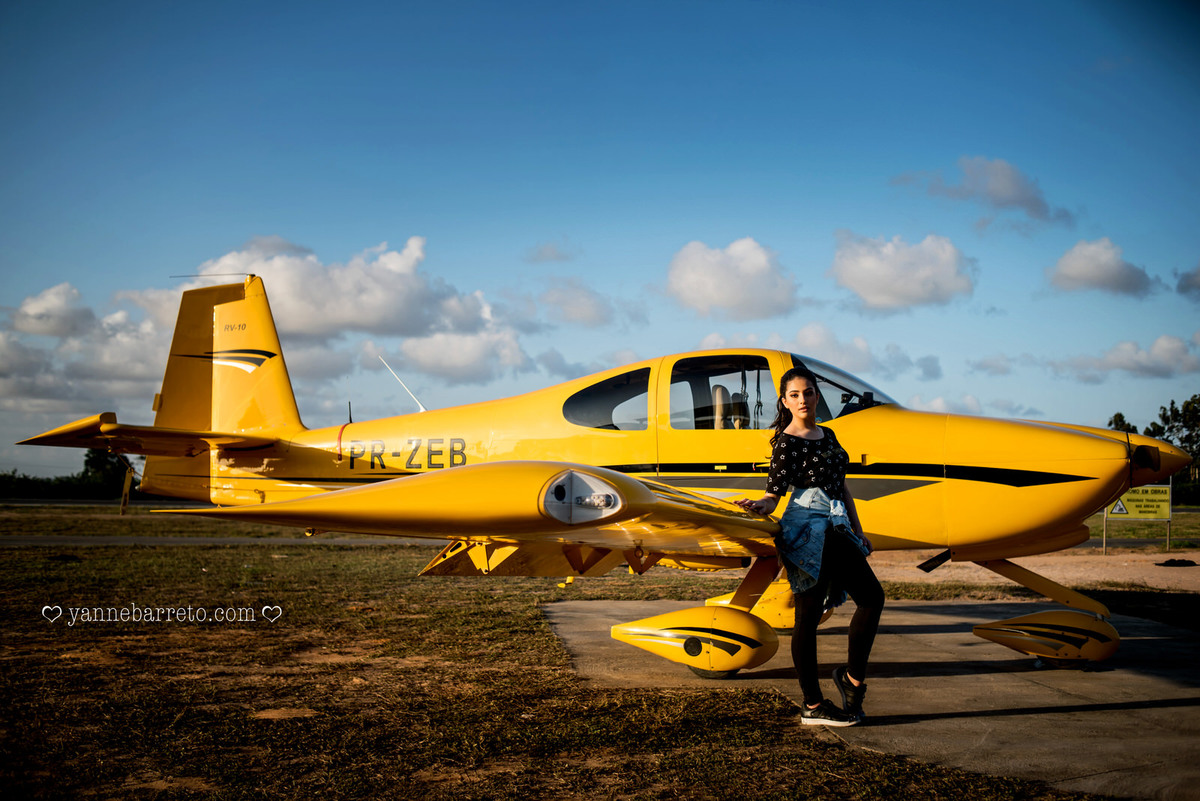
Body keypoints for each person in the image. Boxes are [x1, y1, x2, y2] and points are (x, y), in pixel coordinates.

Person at [735, 366, 884, 726]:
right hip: (805, 530)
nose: (803, 400)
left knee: (871, 598)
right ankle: (813, 705)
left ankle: (852, 680)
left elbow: (841, 486)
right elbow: (774, 493)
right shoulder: (786, 442)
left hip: (837, 525)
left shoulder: (828, 434)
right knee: (808, 614)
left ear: (817, 395)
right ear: (785, 402)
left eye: (808, 392)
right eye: (795, 395)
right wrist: (760, 506)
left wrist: (858, 530)